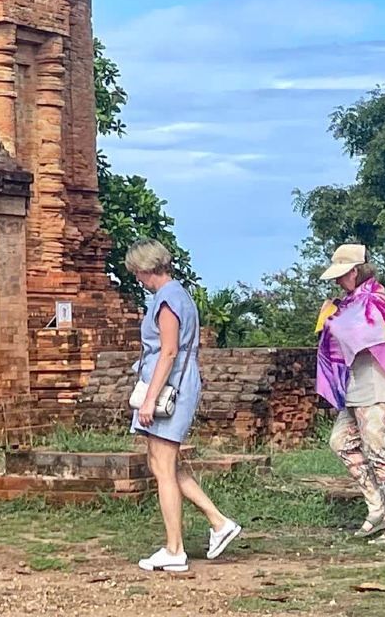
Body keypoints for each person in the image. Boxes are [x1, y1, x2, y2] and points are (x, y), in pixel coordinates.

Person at [126, 240, 241, 574]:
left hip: (169, 386)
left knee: (163, 468)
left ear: (146, 269)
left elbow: (169, 351)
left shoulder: (167, 299)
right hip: (174, 382)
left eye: (137, 273)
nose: (138, 279)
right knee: (162, 463)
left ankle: (175, 548)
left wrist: (150, 398)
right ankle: (218, 522)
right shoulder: (178, 295)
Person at [316, 242, 385, 548]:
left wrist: (332, 318)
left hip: (377, 386)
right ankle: (378, 505)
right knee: (340, 442)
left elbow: (355, 332)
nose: (337, 281)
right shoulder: (348, 303)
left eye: (342, 275)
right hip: (356, 386)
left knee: (380, 454)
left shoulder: (374, 299)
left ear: (357, 272)